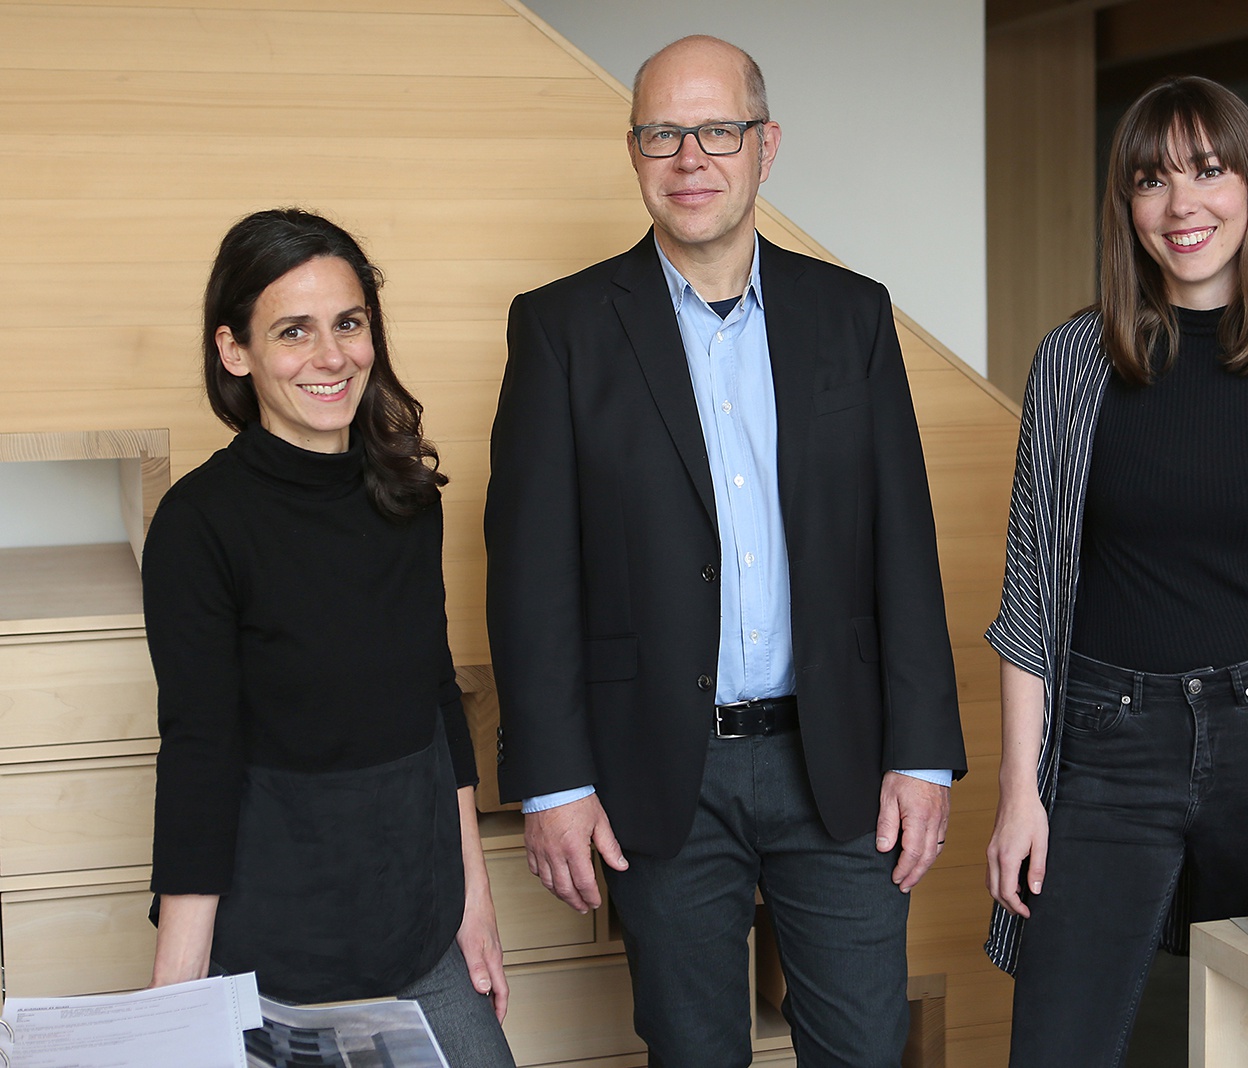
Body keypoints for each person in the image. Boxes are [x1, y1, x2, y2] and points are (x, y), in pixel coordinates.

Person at [485, 35, 966, 1068]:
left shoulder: (853, 315)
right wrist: (554, 781)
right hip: (659, 768)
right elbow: (530, 576)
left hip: (839, 761)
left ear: (765, 145)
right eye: (663, 133)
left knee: (865, 1049)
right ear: (634, 151)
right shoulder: (561, 329)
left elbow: (904, 544)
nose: (690, 158)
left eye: (717, 131)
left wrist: (923, 753)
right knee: (692, 1052)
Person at [984, 75, 1248, 1065]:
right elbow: (1031, 595)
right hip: (1106, 744)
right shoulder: (1073, 363)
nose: (1182, 205)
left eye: (1208, 171)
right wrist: (1019, 792)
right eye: (1151, 179)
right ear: (1126, 205)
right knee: (1056, 1045)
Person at [143, 208, 516, 1068]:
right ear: (235, 350)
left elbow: (438, 704)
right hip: (272, 946)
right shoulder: (199, 524)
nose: (331, 356)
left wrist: (474, 900)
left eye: (348, 324)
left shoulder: (406, 496)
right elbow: (199, 755)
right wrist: (176, 992)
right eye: (293, 331)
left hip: (418, 925)